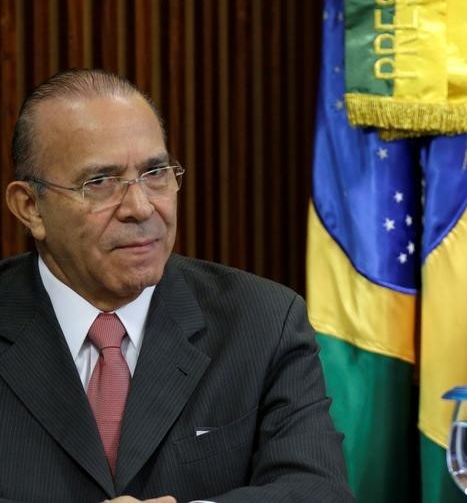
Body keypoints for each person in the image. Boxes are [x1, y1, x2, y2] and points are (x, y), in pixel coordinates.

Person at [0, 68, 354, 503]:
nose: (141, 206)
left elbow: (317, 491)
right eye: (100, 183)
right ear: (30, 207)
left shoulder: (263, 321)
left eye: (156, 173)